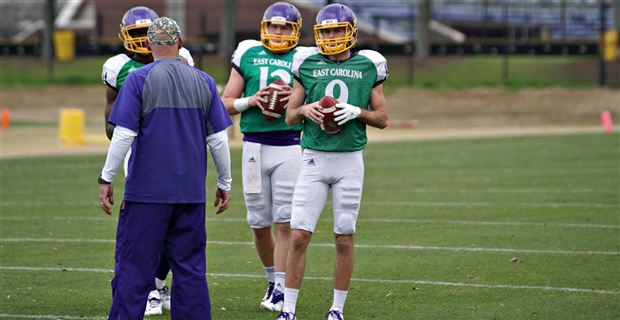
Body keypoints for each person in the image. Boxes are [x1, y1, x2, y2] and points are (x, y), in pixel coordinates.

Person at [97, 17, 233, 320]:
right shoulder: (204, 81)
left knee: (134, 267)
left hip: (147, 194)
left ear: (148, 45)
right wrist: (225, 182)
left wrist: (106, 177)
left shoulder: (137, 80)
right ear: (180, 44)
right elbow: (219, 140)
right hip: (190, 195)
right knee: (190, 270)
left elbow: (123, 134)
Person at [275, 4, 389, 320]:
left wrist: (358, 112)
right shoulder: (306, 62)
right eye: (327, 31)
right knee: (299, 234)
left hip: (349, 161)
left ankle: (336, 309)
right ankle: (288, 309)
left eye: (338, 30)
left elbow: (382, 118)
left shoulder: (369, 64)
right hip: (313, 157)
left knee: (343, 236)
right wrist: (305, 109)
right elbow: (289, 116)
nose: (333, 36)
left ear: (351, 31)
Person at [100, 6, 195, 316]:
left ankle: (156, 282)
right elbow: (110, 127)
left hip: (174, 152)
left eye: (148, 33)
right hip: (137, 152)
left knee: (173, 226)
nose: (144, 40)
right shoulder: (118, 67)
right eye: (137, 33)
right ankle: (147, 290)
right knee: (144, 226)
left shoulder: (183, 60)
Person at [220, 2, 304, 313]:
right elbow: (225, 102)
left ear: (295, 30)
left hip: (290, 144)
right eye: (273, 26)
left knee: (284, 222)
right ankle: (271, 279)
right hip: (253, 146)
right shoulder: (247, 53)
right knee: (258, 223)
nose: (278, 32)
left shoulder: (304, 58)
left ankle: (282, 286)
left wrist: (290, 105)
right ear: (264, 27)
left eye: (284, 27)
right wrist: (252, 100)